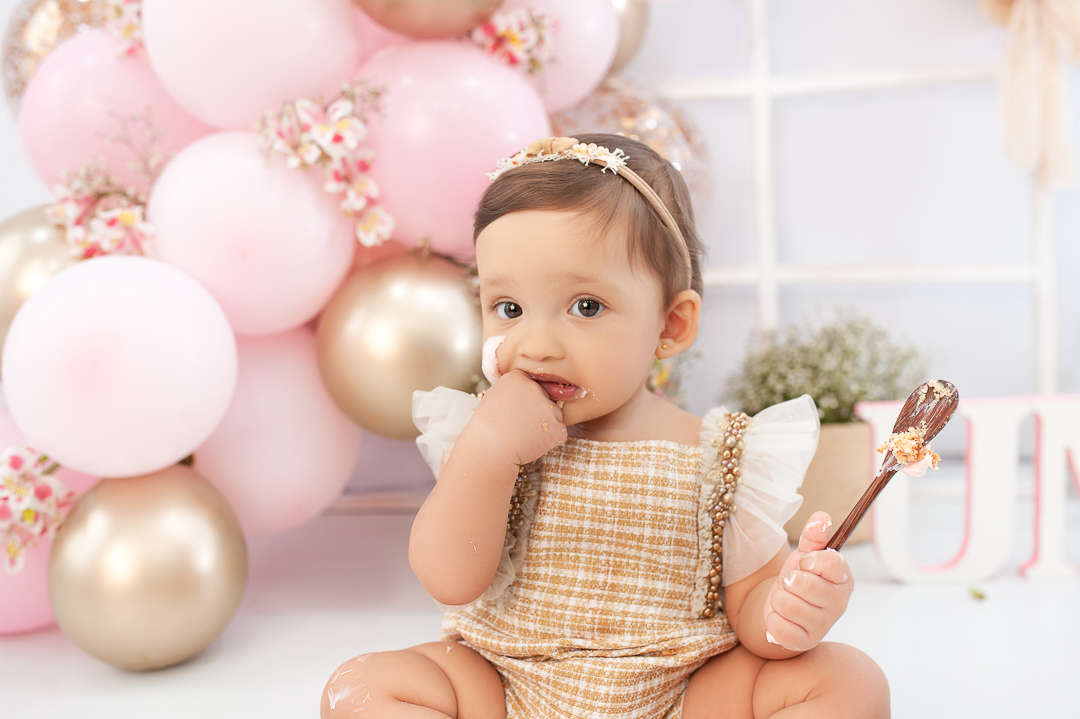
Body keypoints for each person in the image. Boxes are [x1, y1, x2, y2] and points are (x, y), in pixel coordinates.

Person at [321, 134, 890, 718]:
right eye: (509, 309)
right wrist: (488, 450)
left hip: (683, 689)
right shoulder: (485, 437)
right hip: (504, 681)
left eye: (585, 307)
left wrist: (788, 610)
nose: (535, 345)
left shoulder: (721, 454)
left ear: (670, 324)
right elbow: (449, 579)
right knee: (364, 685)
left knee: (846, 678)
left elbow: (751, 610)